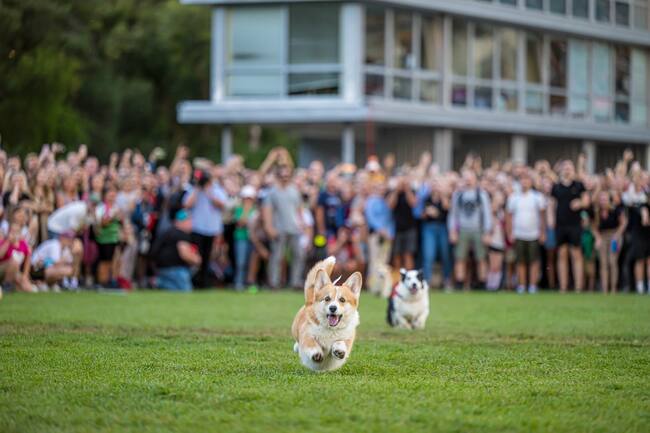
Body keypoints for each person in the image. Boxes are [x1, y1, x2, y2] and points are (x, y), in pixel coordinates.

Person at [448, 170, 492, 290]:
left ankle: (482, 283)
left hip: (478, 229)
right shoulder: (458, 194)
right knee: (460, 257)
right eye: (466, 178)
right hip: (462, 230)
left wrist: (487, 232)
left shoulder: (481, 194)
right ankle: (459, 283)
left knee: (481, 258)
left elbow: (487, 214)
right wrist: (452, 231)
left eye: (470, 178)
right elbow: (453, 214)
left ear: (475, 179)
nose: (468, 181)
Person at [263, 165, 305, 289]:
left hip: (294, 229)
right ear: (278, 176)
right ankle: (273, 282)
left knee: (298, 255)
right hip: (279, 229)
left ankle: (295, 282)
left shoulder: (294, 191)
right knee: (277, 257)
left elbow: (299, 209)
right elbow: (267, 210)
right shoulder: (272, 192)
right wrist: (269, 227)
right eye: (282, 175)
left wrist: (302, 222)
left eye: (287, 175)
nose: (285, 178)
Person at [183, 169, 227, 288]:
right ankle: (194, 280)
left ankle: (204, 281)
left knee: (208, 257)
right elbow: (187, 204)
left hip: (212, 229)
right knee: (197, 256)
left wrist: (209, 192)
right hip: (197, 228)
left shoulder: (216, 190)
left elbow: (223, 205)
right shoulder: (194, 190)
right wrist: (198, 189)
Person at [550, 161, 589, 293]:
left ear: (573, 170)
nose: (567, 170)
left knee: (576, 254)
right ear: (561, 170)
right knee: (562, 255)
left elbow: (586, 201)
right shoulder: (556, 187)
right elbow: (552, 204)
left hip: (575, 225)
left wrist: (580, 203)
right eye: (565, 168)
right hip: (560, 225)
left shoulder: (579, 185)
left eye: (569, 168)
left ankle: (578, 287)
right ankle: (563, 287)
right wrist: (551, 220)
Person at [506, 171, 546, 294]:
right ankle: (522, 285)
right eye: (522, 179)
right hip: (518, 234)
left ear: (531, 182)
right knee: (520, 261)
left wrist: (542, 232)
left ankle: (533, 285)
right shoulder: (513, 197)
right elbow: (509, 217)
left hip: (534, 234)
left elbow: (542, 217)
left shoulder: (538, 197)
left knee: (534, 261)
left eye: (527, 179)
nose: (524, 182)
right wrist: (510, 232)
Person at [150, 209, 202, 291]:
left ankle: (159, 282)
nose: (191, 224)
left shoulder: (168, 232)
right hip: (175, 269)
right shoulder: (181, 234)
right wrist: (197, 260)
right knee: (186, 290)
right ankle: (159, 283)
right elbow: (185, 255)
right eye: (189, 221)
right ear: (181, 222)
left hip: (160, 268)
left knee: (175, 289)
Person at [417, 181, 452, 288]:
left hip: (442, 228)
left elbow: (447, 208)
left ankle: (447, 280)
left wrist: (442, 196)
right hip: (429, 228)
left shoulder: (445, 198)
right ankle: (426, 282)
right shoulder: (426, 199)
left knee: (445, 255)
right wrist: (427, 212)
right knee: (428, 255)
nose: (436, 188)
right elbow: (420, 215)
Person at [592, 190, 626, 293]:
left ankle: (613, 288)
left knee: (612, 261)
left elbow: (623, 223)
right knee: (603, 263)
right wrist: (597, 238)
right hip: (603, 236)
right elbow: (593, 227)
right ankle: (605, 289)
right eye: (601, 199)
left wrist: (617, 235)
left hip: (614, 236)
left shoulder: (615, 210)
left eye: (605, 199)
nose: (603, 201)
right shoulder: (596, 212)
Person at [622, 175, 650, 294]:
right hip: (637, 231)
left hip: (648, 232)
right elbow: (634, 205)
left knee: (649, 260)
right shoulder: (631, 194)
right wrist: (643, 212)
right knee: (639, 259)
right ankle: (640, 287)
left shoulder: (646, 194)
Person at [387, 175, 417, 272]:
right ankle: (399, 277)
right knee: (396, 255)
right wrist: (396, 190)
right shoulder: (393, 192)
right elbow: (390, 205)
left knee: (408, 254)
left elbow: (413, 203)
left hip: (410, 228)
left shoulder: (411, 191)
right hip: (396, 229)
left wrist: (407, 189)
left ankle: (409, 276)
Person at [233, 185, 256, 290]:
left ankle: (248, 283)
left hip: (252, 239)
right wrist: (246, 211)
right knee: (240, 262)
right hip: (241, 238)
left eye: (250, 198)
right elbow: (241, 223)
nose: (248, 201)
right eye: (246, 198)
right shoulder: (239, 209)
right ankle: (239, 283)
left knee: (250, 263)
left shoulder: (255, 210)